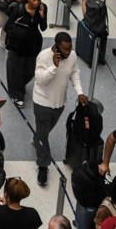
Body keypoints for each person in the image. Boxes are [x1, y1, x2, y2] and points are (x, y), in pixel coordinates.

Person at [32, 32, 87, 187]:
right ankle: (43, 166)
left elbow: (74, 73)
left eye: (70, 48)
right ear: (56, 46)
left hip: (59, 103)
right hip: (42, 102)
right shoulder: (43, 57)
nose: (68, 52)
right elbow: (40, 80)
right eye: (65, 49)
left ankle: (37, 138)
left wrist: (80, 92)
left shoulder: (72, 56)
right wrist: (53, 67)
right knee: (44, 135)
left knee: (45, 131)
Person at [3, 0, 48, 108]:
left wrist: (42, 16)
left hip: (32, 45)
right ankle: (17, 94)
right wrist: (18, 34)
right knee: (15, 71)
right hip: (16, 45)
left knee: (30, 71)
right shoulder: (18, 9)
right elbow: (7, 27)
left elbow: (43, 28)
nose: (37, 2)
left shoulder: (42, 8)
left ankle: (17, 86)